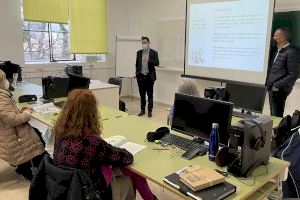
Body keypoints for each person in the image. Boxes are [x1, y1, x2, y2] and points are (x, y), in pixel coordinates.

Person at [53, 89, 157, 200]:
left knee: (124, 169)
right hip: (92, 192)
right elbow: (128, 158)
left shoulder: (59, 133)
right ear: (92, 113)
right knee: (133, 174)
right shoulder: (92, 142)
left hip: (68, 187)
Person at [0, 69, 45, 180]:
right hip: (13, 134)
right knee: (39, 138)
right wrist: (27, 113)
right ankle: (39, 173)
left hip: (6, 133)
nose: (7, 81)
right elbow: (11, 120)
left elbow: (6, 115)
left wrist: (20, 112)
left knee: (37, 132)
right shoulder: (1, 97)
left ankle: (24, 167)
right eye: (4, 78)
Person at [266, 27, 300, 117]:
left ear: (282, 38)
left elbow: (293, 74)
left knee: (276, 116)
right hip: (272, 88)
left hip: (279, 89)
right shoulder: (278, 51)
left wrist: (276, 85)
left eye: (275, 36)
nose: (273, 38)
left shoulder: (291, 52)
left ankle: (277, 131)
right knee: (273, 115)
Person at [135, 36, 159, 118]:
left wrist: (149, 60)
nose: (143, 44)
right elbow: (137, 64)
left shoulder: (154, 52)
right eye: (142, 43)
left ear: (148, 43)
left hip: (149, 77)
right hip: (141, 76)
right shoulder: (139, 53)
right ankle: (142, 110)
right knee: (142, 95)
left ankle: (149, 111)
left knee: (150, 95)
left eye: (145, 42)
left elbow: (157, 63)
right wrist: (137, 73)